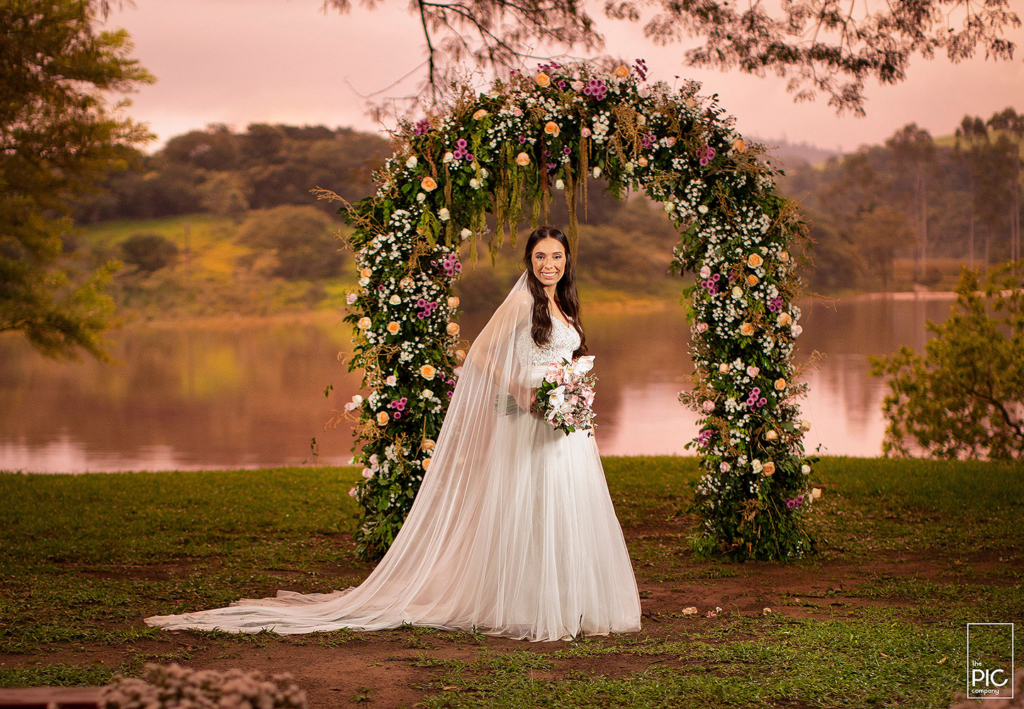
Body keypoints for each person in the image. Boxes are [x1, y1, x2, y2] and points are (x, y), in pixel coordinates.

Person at [145, 226, 641, 642]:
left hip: (566, 420)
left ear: (566, 260)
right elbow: (478, 356)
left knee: (569, 500)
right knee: (532, 502)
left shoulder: (567, 304)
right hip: (529, 415)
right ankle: (531, 604)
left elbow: (567, 359)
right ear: (529, 261)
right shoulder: (521, 305)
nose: (548, 264)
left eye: (556, 256)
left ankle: (572, 598)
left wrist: (571, 391)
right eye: (540, 256)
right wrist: (522, 390)